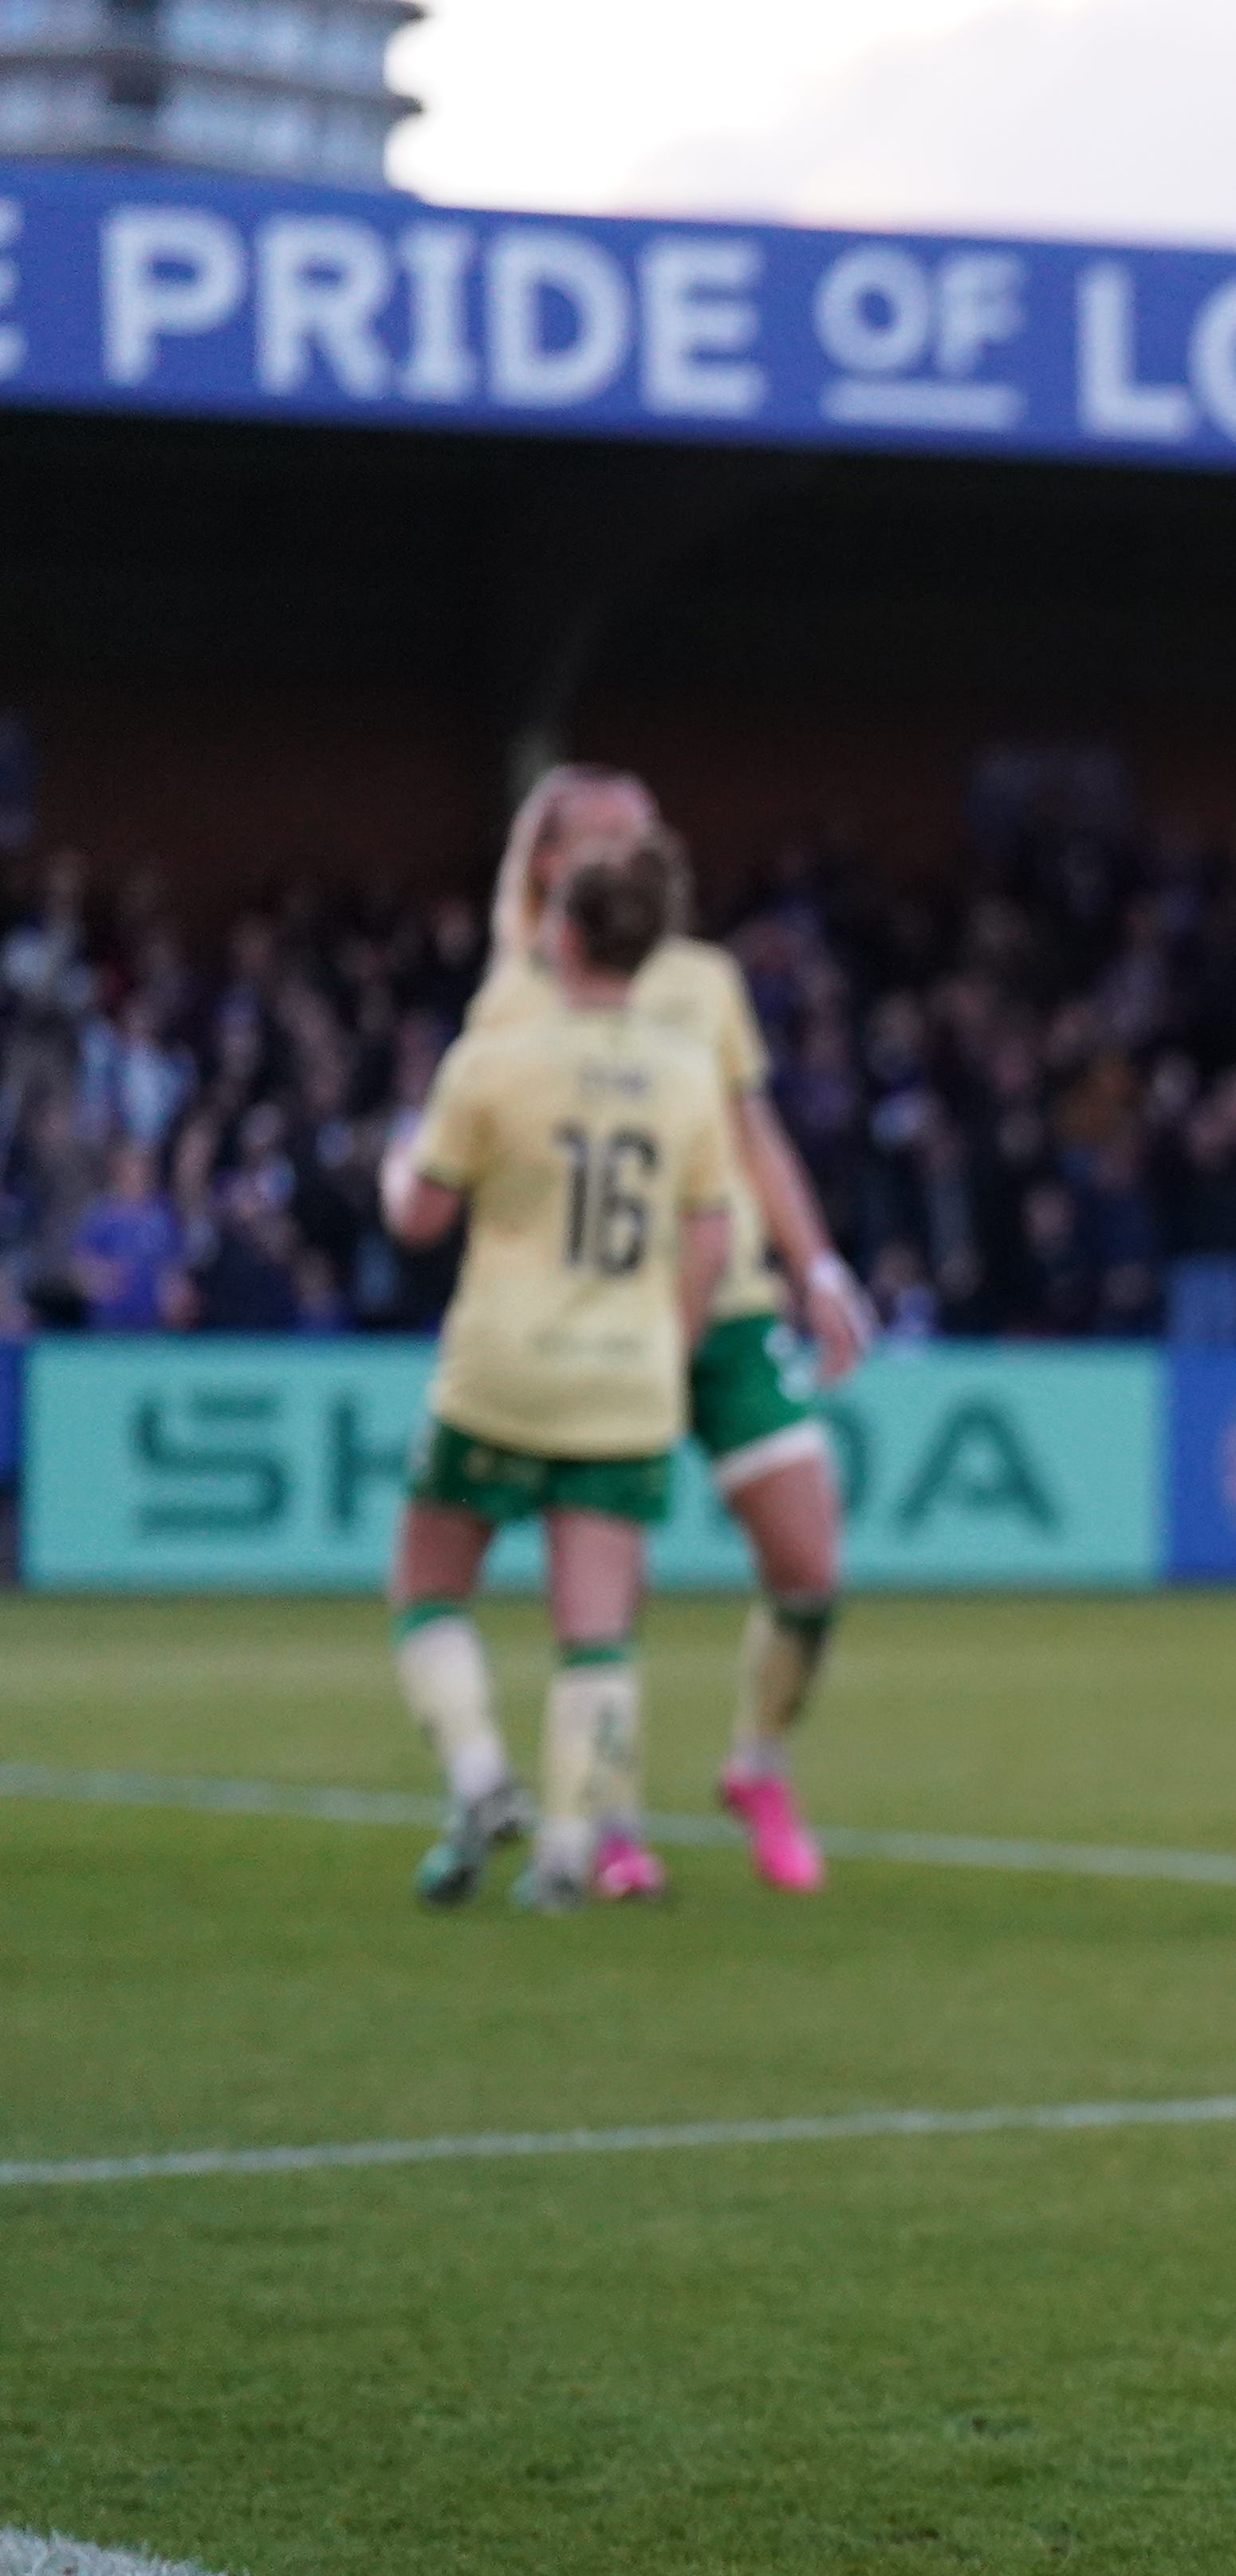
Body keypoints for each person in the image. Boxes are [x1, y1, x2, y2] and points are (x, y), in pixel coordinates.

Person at [474, 769, 873, 1894]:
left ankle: (758, 1763)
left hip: (728, 1308)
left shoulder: (706, 983)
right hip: (600, 1320)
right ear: (549, 865)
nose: (634, 852)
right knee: (611, 1590)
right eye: (608, 838)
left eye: (644, 835)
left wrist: (820, 1267)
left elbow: (759, 1137)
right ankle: (606, 1821)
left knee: (809, 1564)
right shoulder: (521, 993)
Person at [380, 839, 735, 1910]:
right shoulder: (684, 1072)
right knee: (597, 1629)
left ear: (561, 934)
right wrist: (659, 1352)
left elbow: (420, 1218)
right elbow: (710, 1242)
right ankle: (571, 1853)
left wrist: (400, 1159)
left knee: (427, 1588)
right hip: (627, 1382)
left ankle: (482, 1776)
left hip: (504, 1369)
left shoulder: (495, 1059)